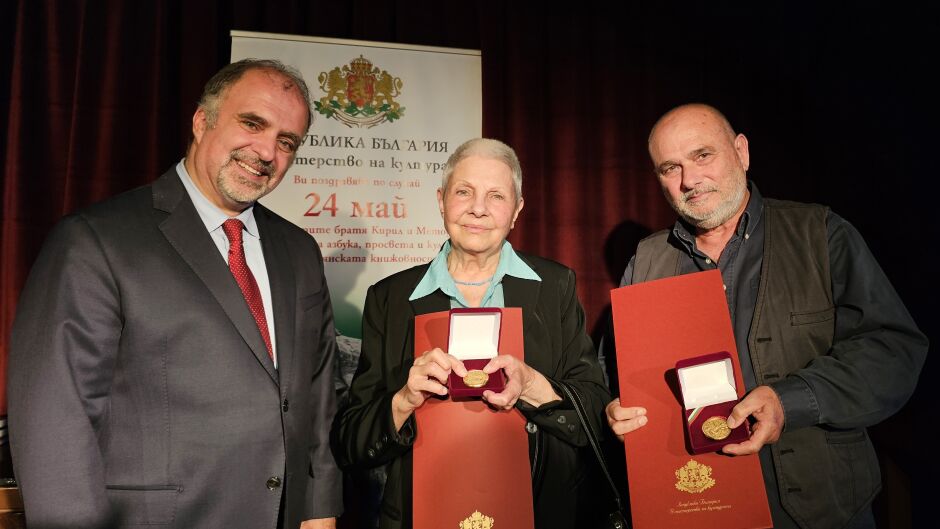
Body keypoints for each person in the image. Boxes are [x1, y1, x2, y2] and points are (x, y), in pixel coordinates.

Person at [8, 59, 342, 528]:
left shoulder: (300, 251)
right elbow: (55, 420)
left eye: (287, 141)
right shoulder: (95, 240)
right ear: (202, 121)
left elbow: (318, 394)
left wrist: (319, 509)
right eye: (252, 123)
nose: (267, 151)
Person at [605, 103, 928, 529]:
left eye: (703, 155)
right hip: (695, 506)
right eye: (670, 168)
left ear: (741, 152)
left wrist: (789, 401)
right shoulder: (647, 259)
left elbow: (893, 351)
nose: (689, 180)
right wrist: (614, 407)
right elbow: (613, 368)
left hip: (820, 511)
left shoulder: (820, 233)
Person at [332, 138, 610, 529]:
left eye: (496, 196)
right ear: (441, 200)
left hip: (538, 511)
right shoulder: (390, 298)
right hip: (425, 513)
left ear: (517, 210)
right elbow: (351, 443)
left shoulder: (555, 286)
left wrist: (533, 385)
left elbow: (596, 415)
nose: (478, 208)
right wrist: (404, 400)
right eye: (464, 192)